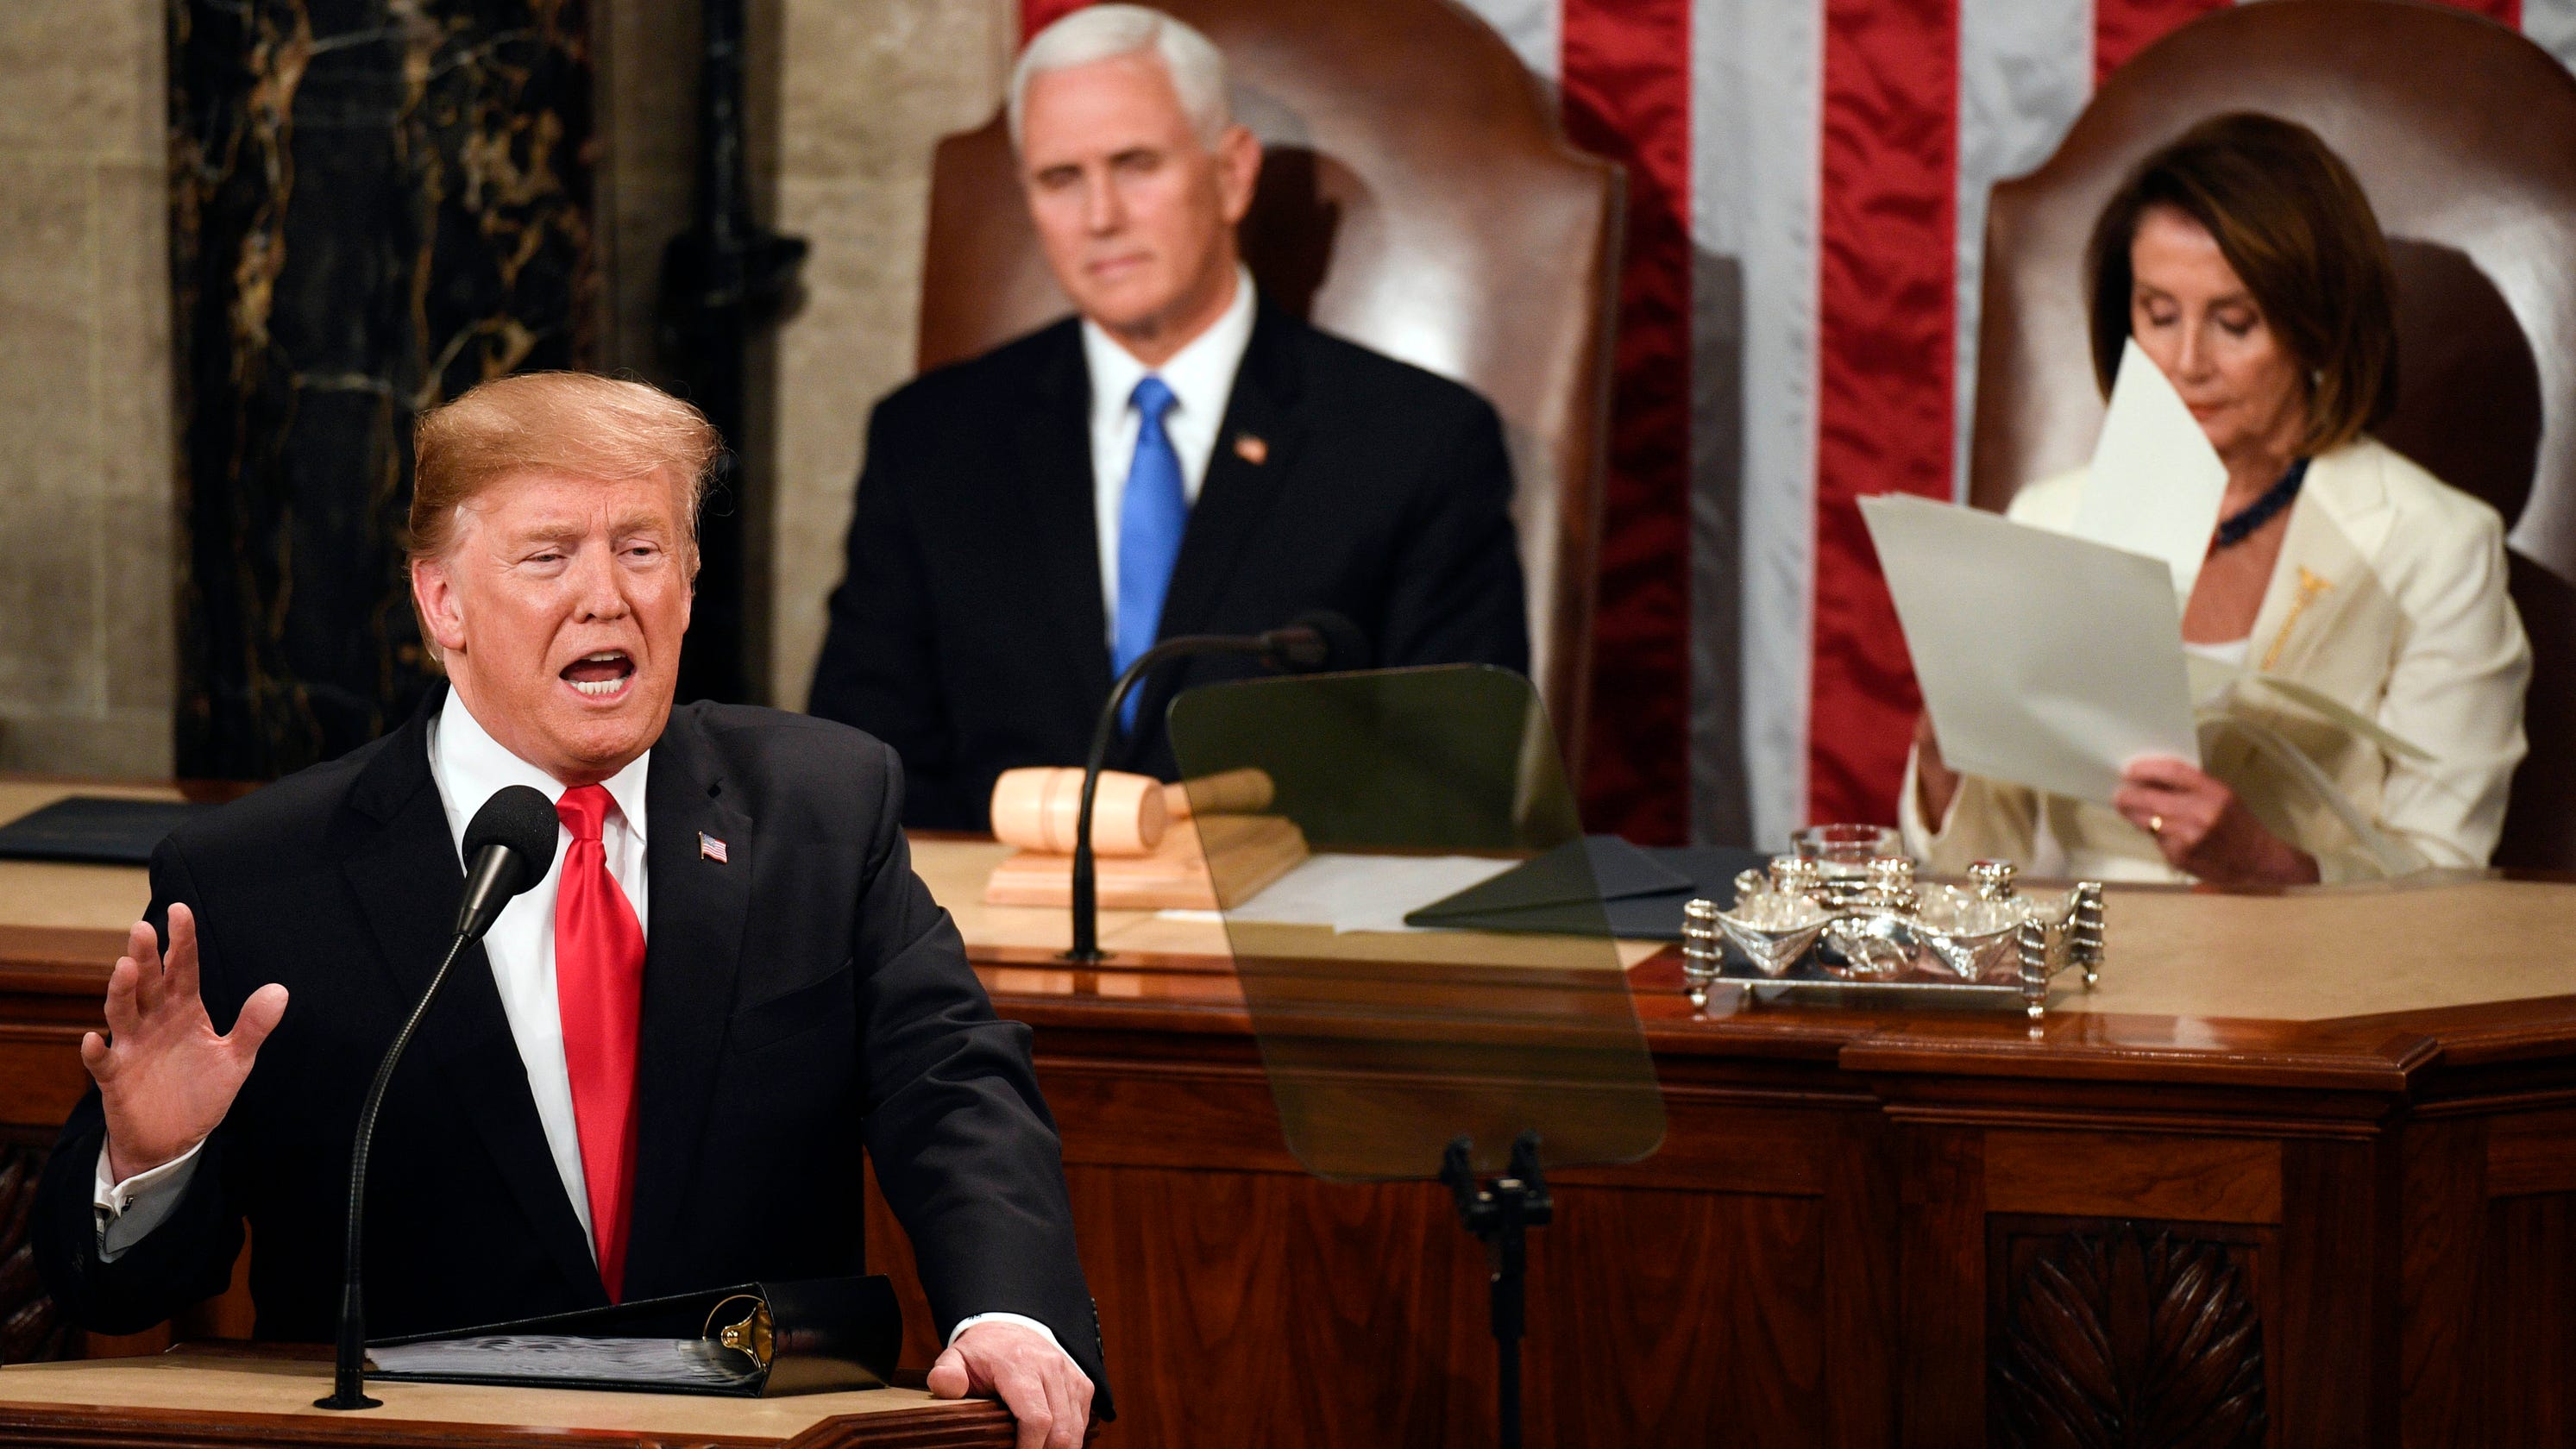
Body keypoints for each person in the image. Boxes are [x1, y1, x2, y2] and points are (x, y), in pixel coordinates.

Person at [35, 374, 1104, 1448]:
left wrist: (1009, 1309)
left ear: (688, 580)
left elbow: (952, 1083)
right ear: (441, 600)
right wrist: (155, 1163)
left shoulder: (822, 805)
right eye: (548, 556)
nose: (607, 598)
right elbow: (111, 1296)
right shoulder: (258, 878)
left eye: (641, 550)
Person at [807, 4, 1529, 830]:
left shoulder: (1416, 441)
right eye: (1061, 179)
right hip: (984, 933)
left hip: (1284, 941)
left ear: (1232, 173)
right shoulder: (930, 441)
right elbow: (861, 763)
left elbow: (1462, 784)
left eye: (1136, 163)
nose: (1101, 216)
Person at [1905, 113, 2530, 886]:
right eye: (2158, 315)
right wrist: (1944, 772)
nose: (2186, 361)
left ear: (2319, 328)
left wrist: (2275, 867)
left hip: (2307, 986)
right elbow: (1977, 871)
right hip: (2079, 979)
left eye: (2234, 322)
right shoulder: (2050, 519)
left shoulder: (2437, 545)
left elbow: (2450, 883)